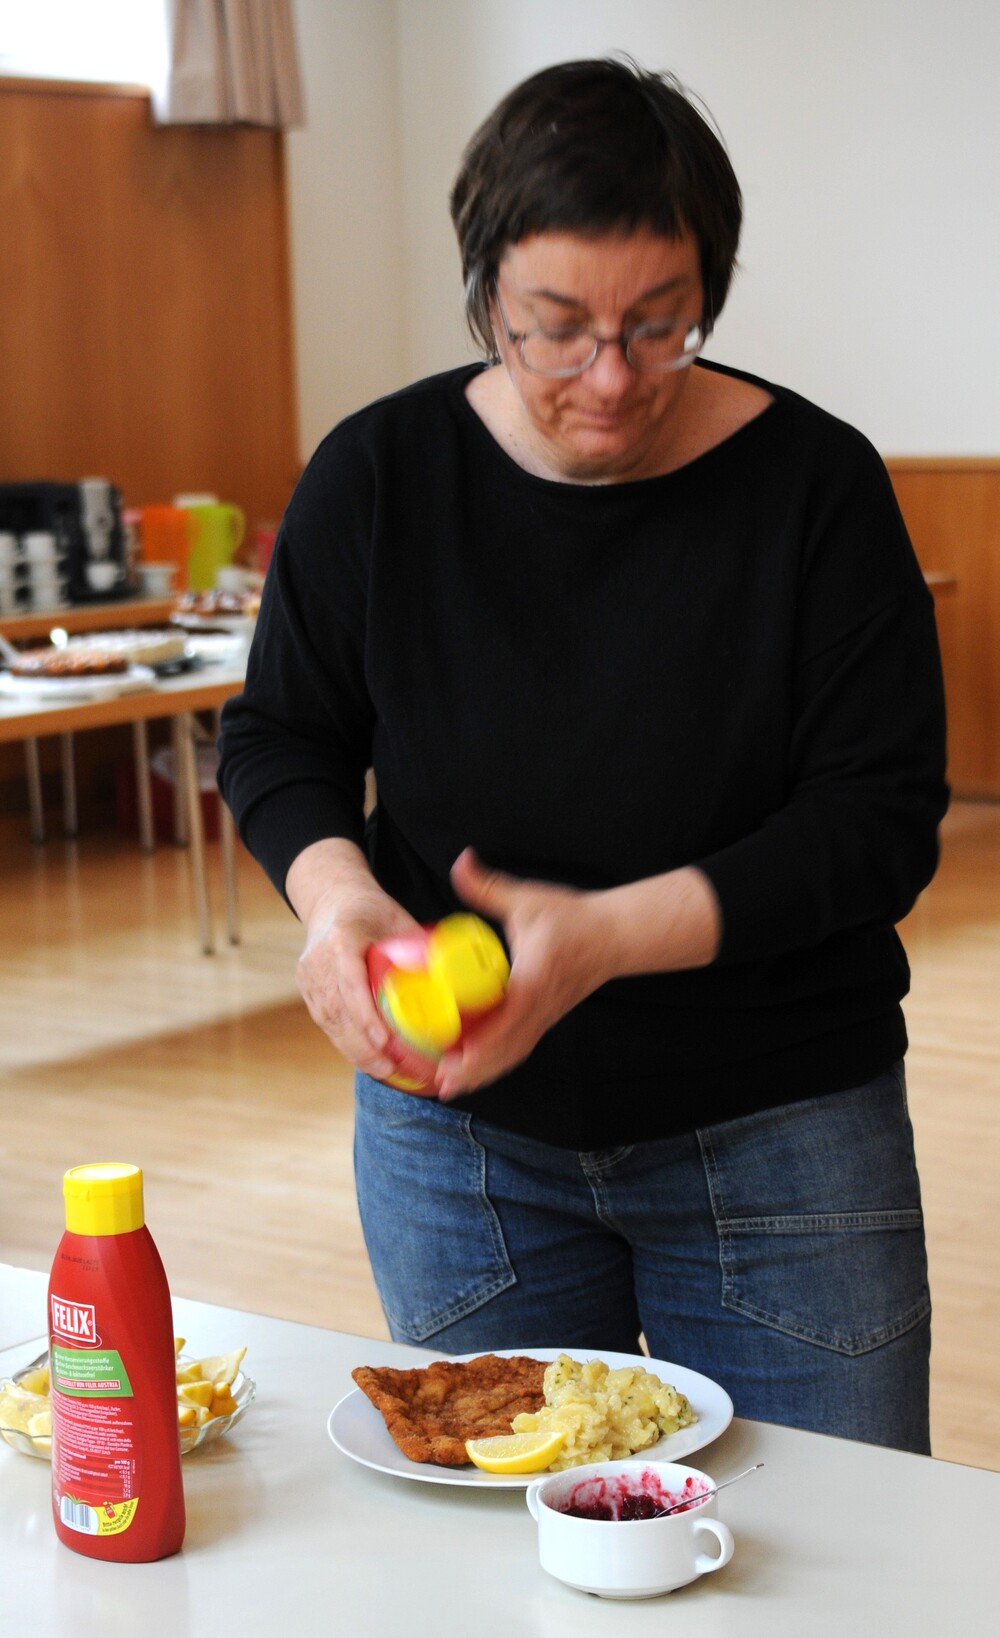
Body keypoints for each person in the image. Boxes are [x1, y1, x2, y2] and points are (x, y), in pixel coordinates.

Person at [217, 57, 948, 1452]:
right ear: (486, 292)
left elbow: (877, 821)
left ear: (708, 290)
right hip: (461, 1148)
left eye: (658, 325)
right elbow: (282, 733)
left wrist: (604, 938)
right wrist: (337, 899)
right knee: (506, 1541)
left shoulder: (816, 487)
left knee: (831, 1540)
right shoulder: (379, 475)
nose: (610, 378)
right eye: (556, 330)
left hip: (784, 1133)